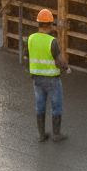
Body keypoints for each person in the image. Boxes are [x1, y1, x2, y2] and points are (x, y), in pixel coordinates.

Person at [26, 8, 70, 142]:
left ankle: (41, 135)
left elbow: (26, 56)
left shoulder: (31, 38)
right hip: (52, 80)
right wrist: (66, 68)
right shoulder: (52, 41)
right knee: (56, 105)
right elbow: (60, 61)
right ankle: (56, 134)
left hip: (37, 79)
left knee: (40, 106)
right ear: (50, 24)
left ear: (39, 24)